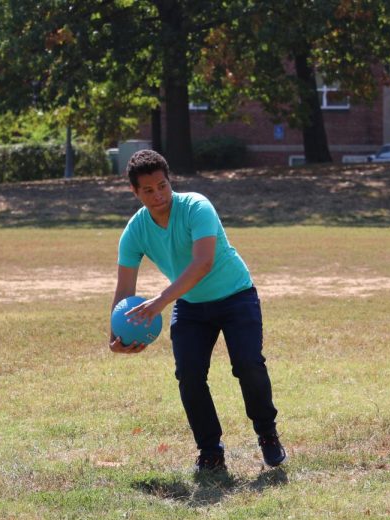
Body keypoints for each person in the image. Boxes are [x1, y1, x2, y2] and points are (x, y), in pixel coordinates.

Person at [109, 149, 286, 473]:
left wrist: (161, 301)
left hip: (236, 296)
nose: (158, 194)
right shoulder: (135, 231)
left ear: (169, 181)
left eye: (162, 185)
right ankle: (210, 450)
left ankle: (267, 434)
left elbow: (203, 263)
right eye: (148, 190)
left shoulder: (196, 207)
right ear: (134, 191)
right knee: (189, 376)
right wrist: (116, 336)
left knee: (248, 365)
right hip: (190, 305)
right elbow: (124, 291)